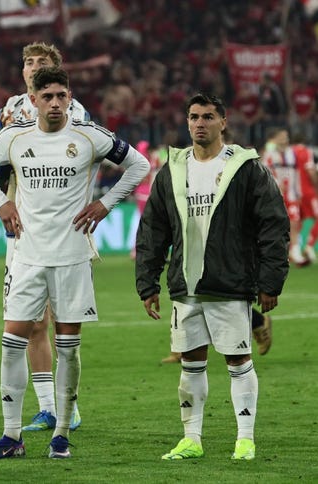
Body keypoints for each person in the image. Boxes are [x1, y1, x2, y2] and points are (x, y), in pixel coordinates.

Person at [0, 67, 150, 459]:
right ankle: (11, 435)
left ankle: (62, 434)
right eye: (47, 95)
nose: (55, 102)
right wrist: (1, 202)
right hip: (28, 257)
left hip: (71, 258)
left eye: (62, 95)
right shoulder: (14, 138)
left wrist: (105, 203)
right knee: (11, 341)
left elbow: (139, 165)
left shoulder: (90, 136)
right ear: (31, 99)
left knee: (68, 347)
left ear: (70, 98)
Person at [135, 93, 289, 461]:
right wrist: (147, 281)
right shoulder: (172, 168)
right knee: (190, 362)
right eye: (193, 116)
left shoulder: (245, 167)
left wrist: (270, 282)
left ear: (223, 121)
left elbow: (273, 224)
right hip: (185, 286)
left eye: (207, 116)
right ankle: (192, 439)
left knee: (238, 361)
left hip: (230, 283)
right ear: (186, 122)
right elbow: (153, 229)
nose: (199, 123)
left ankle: (245, 439)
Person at [0, 41, 91, 434]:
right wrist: (3, 202)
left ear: (57, 69)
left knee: (62, 323)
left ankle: (68, 407)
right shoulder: (9, 110)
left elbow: (91, 154)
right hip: (22, 227)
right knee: (31, 322)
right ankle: (48, 408)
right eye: (28, 62)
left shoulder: (73, 110)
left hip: (62, 229)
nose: (33, 67)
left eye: (42, 62)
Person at [262, 128, 306, 266]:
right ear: (275, 139)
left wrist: (298, 192)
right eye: (281, 137)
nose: (284, 139)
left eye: (286, 137)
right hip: (275, 195)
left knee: (294, 222)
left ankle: (295, 250)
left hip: (291, 195)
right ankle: (276, 254)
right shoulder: (269, 155)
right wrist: (275, 185)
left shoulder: (292, 154)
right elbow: (265, 173)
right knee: (276, 225)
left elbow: (297, 173)